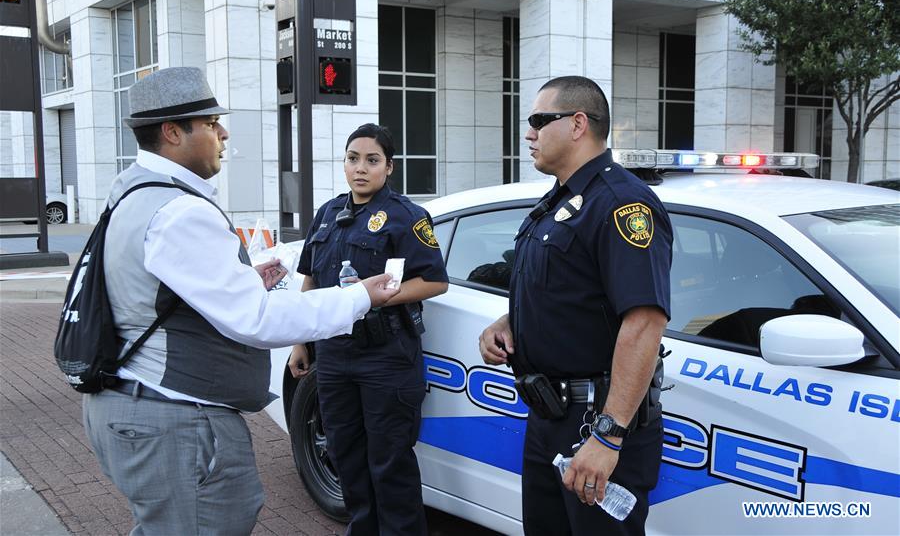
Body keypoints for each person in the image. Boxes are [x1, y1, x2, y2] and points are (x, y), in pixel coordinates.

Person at [82, 67, 399, 536]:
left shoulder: (132, 192)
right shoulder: (180, 210)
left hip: (134, 404)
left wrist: (239, 280)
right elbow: (256, 320)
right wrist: (358, 297)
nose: (223, 133)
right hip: (174, 419)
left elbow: (147, 294)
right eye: (211, 124)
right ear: (173, 132)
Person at [478, 76, 672, 535]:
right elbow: (569, 291)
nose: (529, 134)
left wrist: (608, 435)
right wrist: (510, 322)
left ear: (578, 124)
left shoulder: (622, 203)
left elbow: (644, 322)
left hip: (595, 424)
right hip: (549, 417)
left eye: (538, 121)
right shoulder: (561, 202)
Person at [288, 123, 449, 535]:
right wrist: (299, 341)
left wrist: (375, 296)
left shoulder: (407, 217)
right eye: (352, 158)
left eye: (372, 160)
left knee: (390, 462)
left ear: (389, 167)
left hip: (387, 358)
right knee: (346, 456)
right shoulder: (327, 215)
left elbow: (434, 280)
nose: (361, 168)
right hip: (336, 359)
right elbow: (309, 280)